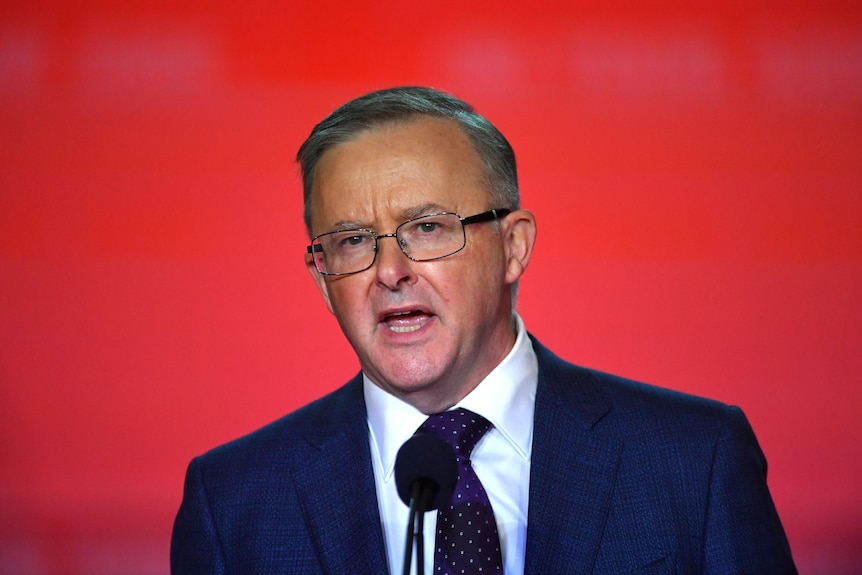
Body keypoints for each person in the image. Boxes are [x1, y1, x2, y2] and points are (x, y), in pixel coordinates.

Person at [170, 86, 797, 574]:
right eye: (352, 241)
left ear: (514, 247)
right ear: (321, 278)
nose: (390, 271)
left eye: (428, 228)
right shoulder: (234, 501)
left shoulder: (692, 460)